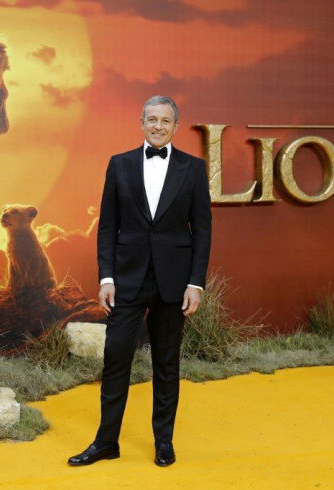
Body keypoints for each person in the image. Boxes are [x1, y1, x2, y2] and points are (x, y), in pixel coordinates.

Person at [67, 95, 212, 467]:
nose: (158, 126)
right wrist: (107, 278)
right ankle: (105, 442)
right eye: (152, 119)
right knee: (116, 359)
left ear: (176, 126)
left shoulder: (193, 169)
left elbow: (203, 231)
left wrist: (195, 283)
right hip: (126, 280)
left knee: (166, 363)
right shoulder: (119, 165)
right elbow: (107, 227)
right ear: (141, 122)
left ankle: (163, 442)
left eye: (166, 120)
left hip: (173, 283)